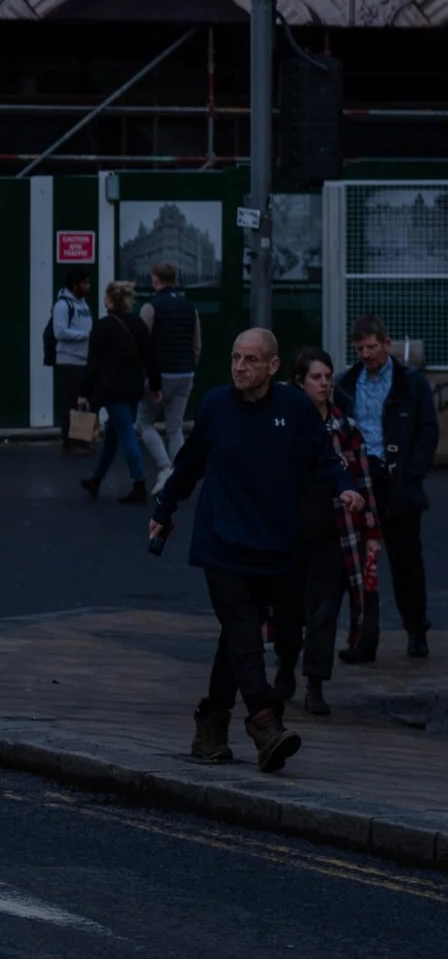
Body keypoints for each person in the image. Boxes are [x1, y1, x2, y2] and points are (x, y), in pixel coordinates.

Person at [152, 329, 364, 771]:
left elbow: (325, 457)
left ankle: (210, 725)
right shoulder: (215, 405)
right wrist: (165, 509)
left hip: (271, 547)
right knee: (244, 630)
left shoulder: (294, 408)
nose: (239, 367)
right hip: (221, 545)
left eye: (250, 360)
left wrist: (345, 488)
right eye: (234, 358)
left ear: (272, 366)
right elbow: (189, 463)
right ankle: (265, 724)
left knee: (237, 637)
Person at [278, 348, 382, 716]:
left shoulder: (347, 429)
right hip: (289, 534)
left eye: (327, 377)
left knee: (324, 611)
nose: (324, 384)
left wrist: (371, 533)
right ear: (298, 382)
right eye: (316, 378)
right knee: (288, 612)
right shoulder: (284, 427)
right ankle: (286, 667)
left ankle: (315, 682)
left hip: (335, 535)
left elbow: (363, 484)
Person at [335, 317, 437, 658]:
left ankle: (416, 630)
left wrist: (412, 474)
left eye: (372, 347)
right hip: (362, 481)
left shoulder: (411, 384)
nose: (366, 354)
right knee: (363, 562)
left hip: (398, 482)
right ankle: (365, 639)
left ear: (387, 344)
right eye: (360, 348)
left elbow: (427, 430)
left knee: (407, 562)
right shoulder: (347, 383)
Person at [78, 280, 160, 502]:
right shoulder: (137, 324)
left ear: (110, 299)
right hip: (133, 388)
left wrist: (84, 391)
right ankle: (96, 480)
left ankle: (139, 482)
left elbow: (93, 363)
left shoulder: (103, 326)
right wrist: (155, 385)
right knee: (113, 436)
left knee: (125, 433)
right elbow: (150, 357)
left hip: (111, 389)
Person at [137, 259, 201, 485]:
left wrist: (145, 376)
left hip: (160, 374)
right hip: (185, 373)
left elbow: (141, 344)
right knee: (175, 426)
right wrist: (190, 365)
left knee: (144, 422)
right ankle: (183, 472)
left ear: (155, 279)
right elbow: (196, 345)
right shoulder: (189, 307)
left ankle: (165, 467)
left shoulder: (150, 307)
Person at [49, 271, 94, 448]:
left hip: (83, 358)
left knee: (82, 401)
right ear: (75, 285)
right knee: (71, 402)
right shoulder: (62, 306)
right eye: (85, 283)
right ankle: (70, 442)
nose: (88, 287)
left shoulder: (83, 304)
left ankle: (82, 440)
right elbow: (59, 332)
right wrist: (85, 335)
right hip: (69, 360)